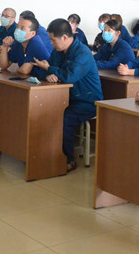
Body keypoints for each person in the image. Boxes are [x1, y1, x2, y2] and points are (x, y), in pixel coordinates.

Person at [32, 19, 103, 171]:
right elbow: (43, 69)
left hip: (87, 101)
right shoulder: (58, 51)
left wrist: (50, 69)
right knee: (42, 111)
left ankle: (67, 159)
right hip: (66, 97)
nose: (51, 43)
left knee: (64, 118)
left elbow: (69, 76)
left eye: (53, 40)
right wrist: (48, 74)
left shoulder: (82, 52)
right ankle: (42, 155)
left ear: (64, 37)